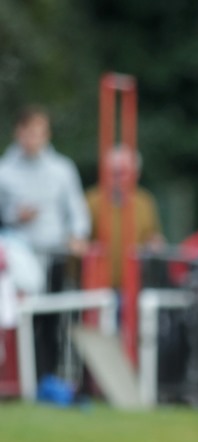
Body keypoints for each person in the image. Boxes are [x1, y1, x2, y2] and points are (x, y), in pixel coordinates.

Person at [0, 105, 91, 378]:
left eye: (38, 133)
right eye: (28, 133)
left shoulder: (62, 169)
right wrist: (15, 216)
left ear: (47, 135)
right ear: (19, 133)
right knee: (22, 320)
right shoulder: (4, 170)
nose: (33, 139)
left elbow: (77, 211)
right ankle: (24, 377)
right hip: (19, 261)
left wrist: (78, 236)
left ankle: (48, 377)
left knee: (53, 320)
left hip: (54, 257)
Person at [85, 144, 166, 288]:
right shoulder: (91, 201)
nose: (118, 179)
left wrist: (154, 244)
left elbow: (153, 235)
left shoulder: (145, 201)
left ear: (136, 174)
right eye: (113, 173)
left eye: (123, 173)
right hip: (98, 285)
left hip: (135, 285)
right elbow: (80, 241)